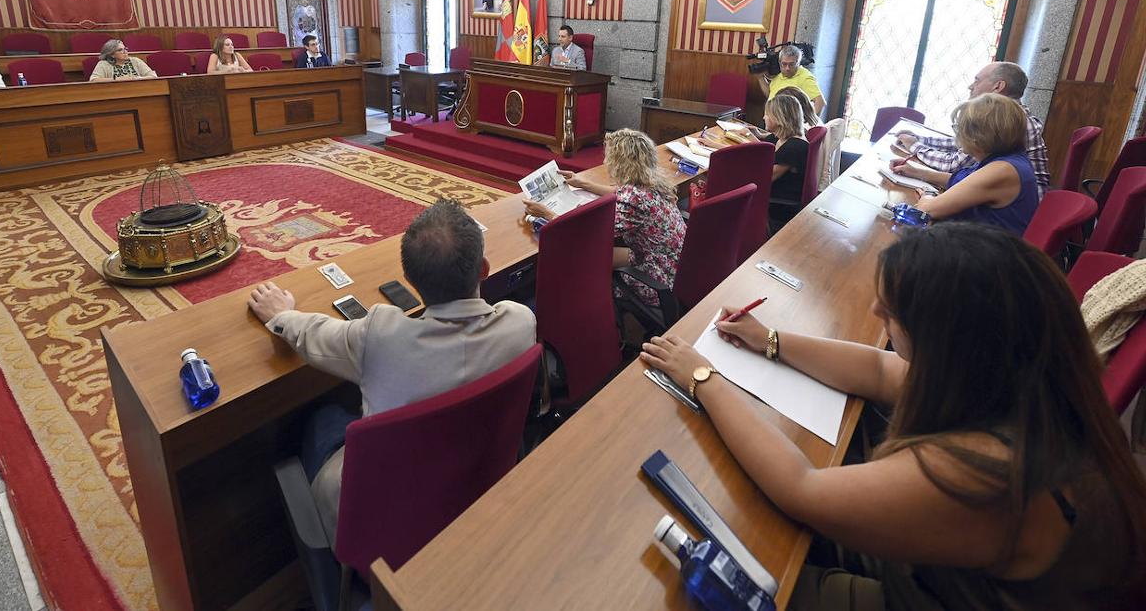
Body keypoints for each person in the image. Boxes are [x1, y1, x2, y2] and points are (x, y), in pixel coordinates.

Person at [641, 223, 1146, 611]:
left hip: (926, 595)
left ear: (949, 340)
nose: (877, 315)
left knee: (730, 579)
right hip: (942, 577)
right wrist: (769, 340)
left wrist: (703, 378)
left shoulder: (986, 469)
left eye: (891, 312)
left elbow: (801, 488)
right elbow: (881, 369)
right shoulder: (1026, 382)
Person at [246, 199, 536, 573]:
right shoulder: (521, 322)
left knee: (322, 420)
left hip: (384, 551)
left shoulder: (380, 335)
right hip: (482, 499)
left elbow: (315, 336)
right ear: (483, 269)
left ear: (411, 282)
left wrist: (282, 314)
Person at [523, 128, 685, 308]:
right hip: (674, 267)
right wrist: (582, 182)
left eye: (609, 157)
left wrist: (546, 213)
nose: (605, 161)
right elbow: (620, 192)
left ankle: (564, 303)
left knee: (578, 252)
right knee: (603, 252)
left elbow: (586, 233)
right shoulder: (650, 183)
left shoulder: (635, 200)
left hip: (656, 279)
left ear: (620, 164)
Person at [895, 61, 1049, 200]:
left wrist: (915, 147)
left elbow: (953, 165)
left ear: (998, 86)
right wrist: (921, 140)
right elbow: (963, 145)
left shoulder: (1006, 120)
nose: (971, 86)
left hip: (1019, 210)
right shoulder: (1011, 114)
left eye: (977, 80)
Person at [892, 93, 1038, 235]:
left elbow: (928, 210)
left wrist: (928, 195)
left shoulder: (1002, 170)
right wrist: (918, 172)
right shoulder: (1008, 158)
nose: (958, 135)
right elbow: (960, 180)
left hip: (987, 254)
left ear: (977, 137)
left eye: (959, 128)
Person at [743, 90, 813, 230]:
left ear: (780, 118)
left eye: (768, 114)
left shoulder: (795, 146)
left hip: (778, 206)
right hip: (769, 196)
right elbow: (758, 151)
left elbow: (763, 179)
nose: (764, 117)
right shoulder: (780, 137)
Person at [760, 44, 824, 116]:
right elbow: (770, 94)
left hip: (790, 125)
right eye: (784, 64)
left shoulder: (805, 77)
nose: (787, 68)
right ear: (779, 62)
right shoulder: (779, 74)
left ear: (798, 63)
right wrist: (760, 78)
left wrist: (808, 123)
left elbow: (820, 102)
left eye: (792, 64)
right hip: (771, 121)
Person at [89, 40, 157, 81]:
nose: (125, 52)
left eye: (125, 49)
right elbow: (93, 80)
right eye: (120, 50)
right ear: (111, 54)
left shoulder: (135, 61)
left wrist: (136, 79)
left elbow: (153, 76)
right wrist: (117, 80)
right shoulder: (103, 64)